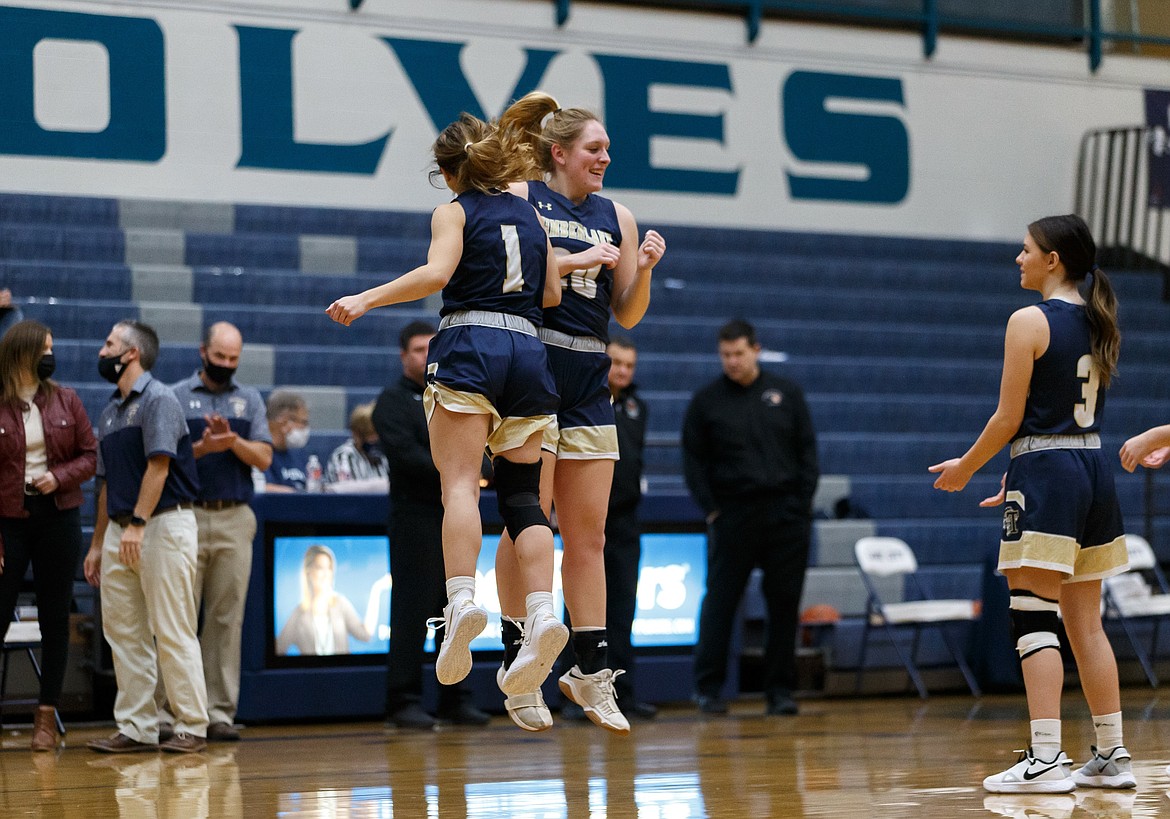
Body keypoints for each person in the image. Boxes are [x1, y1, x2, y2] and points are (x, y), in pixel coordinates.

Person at [326, 92, 567, 717]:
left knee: (459, 486)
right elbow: (547, 291)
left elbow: (437, 275)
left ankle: (462, 602)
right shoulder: (533, 215)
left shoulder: (453, 212)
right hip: (530, 350)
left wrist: (365, 299)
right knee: (522, 496)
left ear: (451, 173)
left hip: (473, 341)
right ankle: (541, 612)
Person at [929, 214, 1134, 794]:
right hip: (1090, 468)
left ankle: (1046, 757)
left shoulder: (1029, 320)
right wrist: (1019, 474)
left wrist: (965, 469)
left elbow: (1009, 417)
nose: (1018, 259)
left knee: (1032, 612)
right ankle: (1113, 753)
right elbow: (1054, 421)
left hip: (1049, 471)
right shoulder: (1099, 320)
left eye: (1026, 251)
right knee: (1085, 621)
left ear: (1054, 260)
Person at [494, 105, 666, 735]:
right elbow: (512, 279)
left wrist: (641, 269)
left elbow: (628, 315)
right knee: (526, 523)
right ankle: (520, 663)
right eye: (594, 147)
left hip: (590, 378)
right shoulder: (522, 195)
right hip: (533, 363)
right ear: (559, 152)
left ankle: (589, 669)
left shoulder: (617, 215)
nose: (605, 158)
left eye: (608, 147)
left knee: (588, 535)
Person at [82, 319, 209, 753]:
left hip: (162, 524)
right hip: (122, 527)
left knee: (172, 628)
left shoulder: (159, 399)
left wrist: (137, 523)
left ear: (131, 353)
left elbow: (160, 466)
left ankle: (191, 724)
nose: (102, 351)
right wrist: (99, 543)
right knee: (124, 632)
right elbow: (105, 484)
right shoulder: (110, 410)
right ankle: (137, 726)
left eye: (108, 343)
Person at [682, 319, 819, 717]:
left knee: (783, 604)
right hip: (733, 513)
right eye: (725, 355)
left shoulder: (786, 393)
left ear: (755, 350)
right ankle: (707, 689)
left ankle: (779, 691)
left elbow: (808, 452)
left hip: (785, 515)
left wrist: (802, 505)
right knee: (721, 603)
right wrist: (712, 508)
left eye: (739, 353)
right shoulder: (706, 401)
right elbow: (693, 461)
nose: (732, 361)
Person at [372, 320, 490, 729]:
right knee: (412, 611)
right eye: (418, 349)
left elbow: (482, 454)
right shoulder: (390, 402)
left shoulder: (455, 399)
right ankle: (402, 698)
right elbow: (406, 457)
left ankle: (455, 697)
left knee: (456, 607)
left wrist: (465, 474)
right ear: (404, 355)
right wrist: (460, 474)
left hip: (454, 518)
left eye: (431, 349)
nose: (425, 356)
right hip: (415, 519)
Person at [167, 321, 273, 742]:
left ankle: (218, 713)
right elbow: (164, 459)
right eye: (220, 357)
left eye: (234, 358)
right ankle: (172, 712)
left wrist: (231, 443)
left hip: (233, 517)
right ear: (202, 352)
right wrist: (201, 449)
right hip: (185, 516)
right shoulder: (175, 397)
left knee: (225, 619)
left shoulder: (249, 400)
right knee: (178, 618)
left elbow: (264, 458)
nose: (227, 364)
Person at [0, 320, 97, 751]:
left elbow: (89, 456)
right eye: (44, 349)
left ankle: (44, 717)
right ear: (21, 354)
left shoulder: (66, 400)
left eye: (52, 349)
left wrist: (58, 477)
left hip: (57, 516)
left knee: (54, 618)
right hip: (8, 520)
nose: (50, 357)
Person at [600, 335, 656, 720]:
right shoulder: (582, 401)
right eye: (616, 362)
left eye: (629, 365)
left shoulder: (637, 407)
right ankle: (580, 694)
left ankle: (623, 694)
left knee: (623, 611)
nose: (622, 371)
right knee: (583, 610)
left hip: (625, 520)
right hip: (589, 519)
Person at [275, 543, 382, 655]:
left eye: (329, 568)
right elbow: (278, 649)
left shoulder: (340, 604)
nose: (326, 574)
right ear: (308, 571)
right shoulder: (299, 614)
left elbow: (365, 635)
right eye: (320, 568)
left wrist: (376, 590)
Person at [326, 402, 389, 486]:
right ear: (356, 434)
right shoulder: (343, 456)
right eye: (370, 434)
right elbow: (348, 492)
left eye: (378, 433)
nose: (375, 438)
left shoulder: (384, 456)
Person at [262, 389, 310, 492]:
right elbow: (260, 488)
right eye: (303, 422)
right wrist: (296, 494)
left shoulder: (299, 454)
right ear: (284, 420)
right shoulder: (260, 452)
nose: (305, 428)